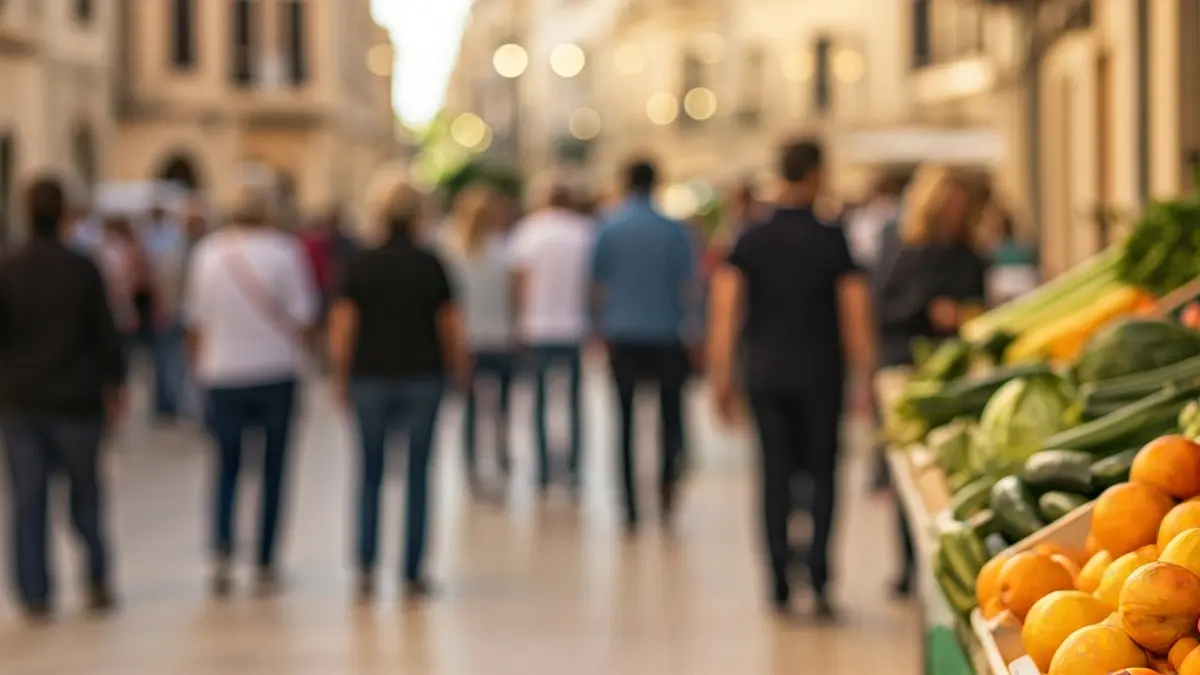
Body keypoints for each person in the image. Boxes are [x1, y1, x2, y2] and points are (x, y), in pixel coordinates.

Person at [708, 140, 875, 618]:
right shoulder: (832, 238)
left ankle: (779, 578)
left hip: (766, 373)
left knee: (774, 475)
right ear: (816, 173)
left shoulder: (751, 237)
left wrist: (721, 375)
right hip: (821, 372)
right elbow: (854, 312)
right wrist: (864, 375)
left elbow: (726, 310)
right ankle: (819, 576)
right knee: (823, 475)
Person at [329, 175, 469, 601]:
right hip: (422, 376)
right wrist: (459, 370)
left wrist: (340, 377)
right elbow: (450, 324)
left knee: (369, 472)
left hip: (370, 377)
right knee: (418, 474)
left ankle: (366, 566)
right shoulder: (431, 263)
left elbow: (343, 327)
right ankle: (413, 570)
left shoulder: (360, 262)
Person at [0, 177, 127, 619]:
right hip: (77, 400)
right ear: (63, 214)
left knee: (28, 498)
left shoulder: (10, 269)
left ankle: (34, 591)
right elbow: (105, 333)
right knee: (85, 494)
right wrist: (117, 384)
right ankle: (96, 577)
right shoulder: (82, 268)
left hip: (22, 401)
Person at [183, 178, 318, 597]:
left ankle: (222, 550)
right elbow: (304, 315)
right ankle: (265, 558)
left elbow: (195, 321)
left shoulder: (207, 253)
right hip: (275, 370)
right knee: (274, 469)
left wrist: (198, 370)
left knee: (225, 467)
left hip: (223, 373)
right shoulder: (285, 251)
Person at [591, 160, 700, 532]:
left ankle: (629, 504)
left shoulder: (609, 227)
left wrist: (599, 327)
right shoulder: (674, 230)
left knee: (624, 421)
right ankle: (666, 487)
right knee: (670, 417)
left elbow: (597, 284)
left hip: (622, 334)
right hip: (666, 333)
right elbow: (689, 285)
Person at [508, 184, 593, 494]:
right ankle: (574, 468)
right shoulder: (584, 232)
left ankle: (543, 469)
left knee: (540, 402)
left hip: (538, 326)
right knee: (573, 402)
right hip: (573, 326)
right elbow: (591, 282)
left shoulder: (529, 232)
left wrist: (516, 320)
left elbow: (518, 280)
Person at [439, 184, 515, 496]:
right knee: (501, 408)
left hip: (466, 340)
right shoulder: (503, 250)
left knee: (470, 410)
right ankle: (501, 459)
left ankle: (471, 466)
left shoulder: (450, 250)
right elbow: (513, 296)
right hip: (499, 336)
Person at [140, 205, 189, 422]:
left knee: (164, 358)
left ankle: (165, 403)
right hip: (169, 309)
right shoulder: (173, 239)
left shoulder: (156, 238)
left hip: (165, 308)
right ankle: (168, 403)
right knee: (169, 358)